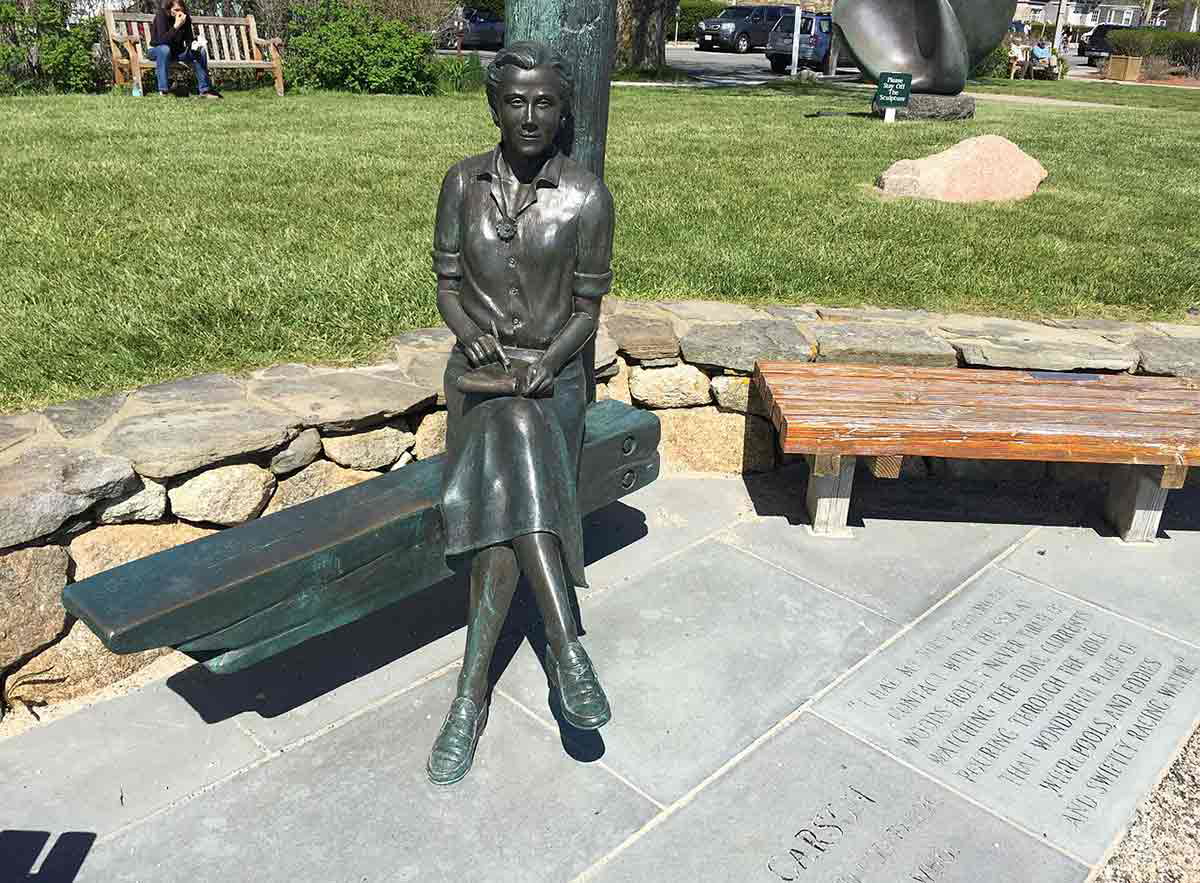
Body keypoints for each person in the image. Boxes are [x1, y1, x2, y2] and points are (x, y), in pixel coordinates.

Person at [427, 41, 615, 786]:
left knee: (509, 484)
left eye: (544, 103)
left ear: (563, 110)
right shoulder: (461, 183)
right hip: (478, 380)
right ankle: (569, 649)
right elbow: (446, 282)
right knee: (512, 444)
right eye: (515, 101)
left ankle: (467, 701)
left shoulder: (587, 197)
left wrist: (546, 360)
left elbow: (587, 310)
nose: (530, 116)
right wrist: (471, 336)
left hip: (551, 380)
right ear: (494, 105)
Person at [149, 0, 221, 98]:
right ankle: (164, 91)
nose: (179, 13)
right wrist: (176, 26)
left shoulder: (185, 18)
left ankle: (205, 90)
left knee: (201, 51)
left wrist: (195, 43)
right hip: (157, 50)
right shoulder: (161, 15)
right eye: (176, 10)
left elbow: (188, 39)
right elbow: (162, 40)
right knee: (165, 49)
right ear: (169, 9)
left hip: (176, 52)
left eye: (181, 10)